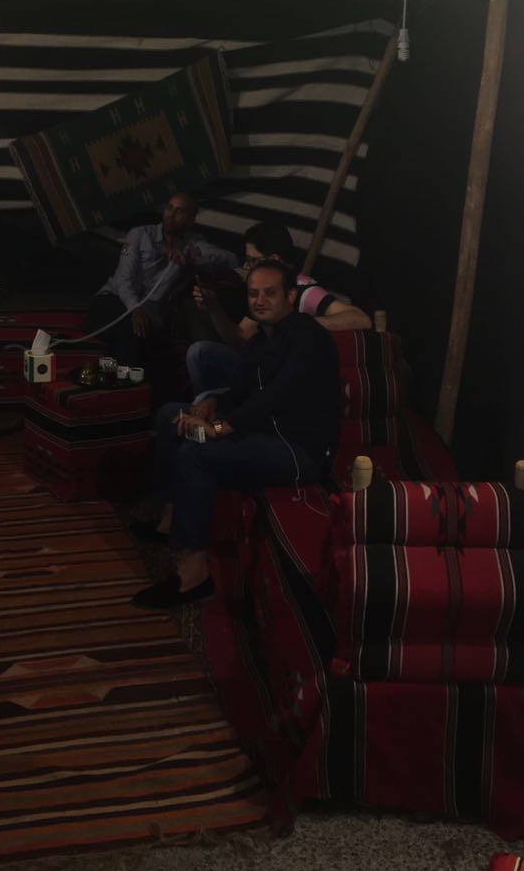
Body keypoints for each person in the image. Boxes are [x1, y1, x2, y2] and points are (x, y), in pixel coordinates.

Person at [131, 259, 340, 609]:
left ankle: (194, 573)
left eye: (270, 293)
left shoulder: (309, 337)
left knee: (197, 451)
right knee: (170, 415)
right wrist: (211, 403)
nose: (260, 301)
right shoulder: (262, 339)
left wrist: (219, 427)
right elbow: (242, 389)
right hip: (263, 433)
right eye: (254, 294)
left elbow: (278, 395)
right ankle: (169, 522)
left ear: (290, 296)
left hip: (298, 450)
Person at [186, 219, 370, 398]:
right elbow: (240, 338)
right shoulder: (261, 288)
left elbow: (360, 319)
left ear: (274, 259)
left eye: (253, 260)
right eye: (247, 261)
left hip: (285, 380)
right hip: (260, 368)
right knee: (199, 354)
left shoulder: (302, 289)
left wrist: (297, 325)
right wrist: (214, 308)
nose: (247, 267)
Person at [85, 192, 238, 369]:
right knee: (134, 330)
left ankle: (124, 377)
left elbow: (231, 259)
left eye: (180, 211)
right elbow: (125, 280)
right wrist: (135, 309)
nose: (171, 215)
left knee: (141, 336)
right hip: (115, 299)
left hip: (151, 313)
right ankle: (125, 377)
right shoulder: (140, 235)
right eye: (169, 208)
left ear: (190, 221)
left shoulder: (192, 244)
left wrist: (192, 258)